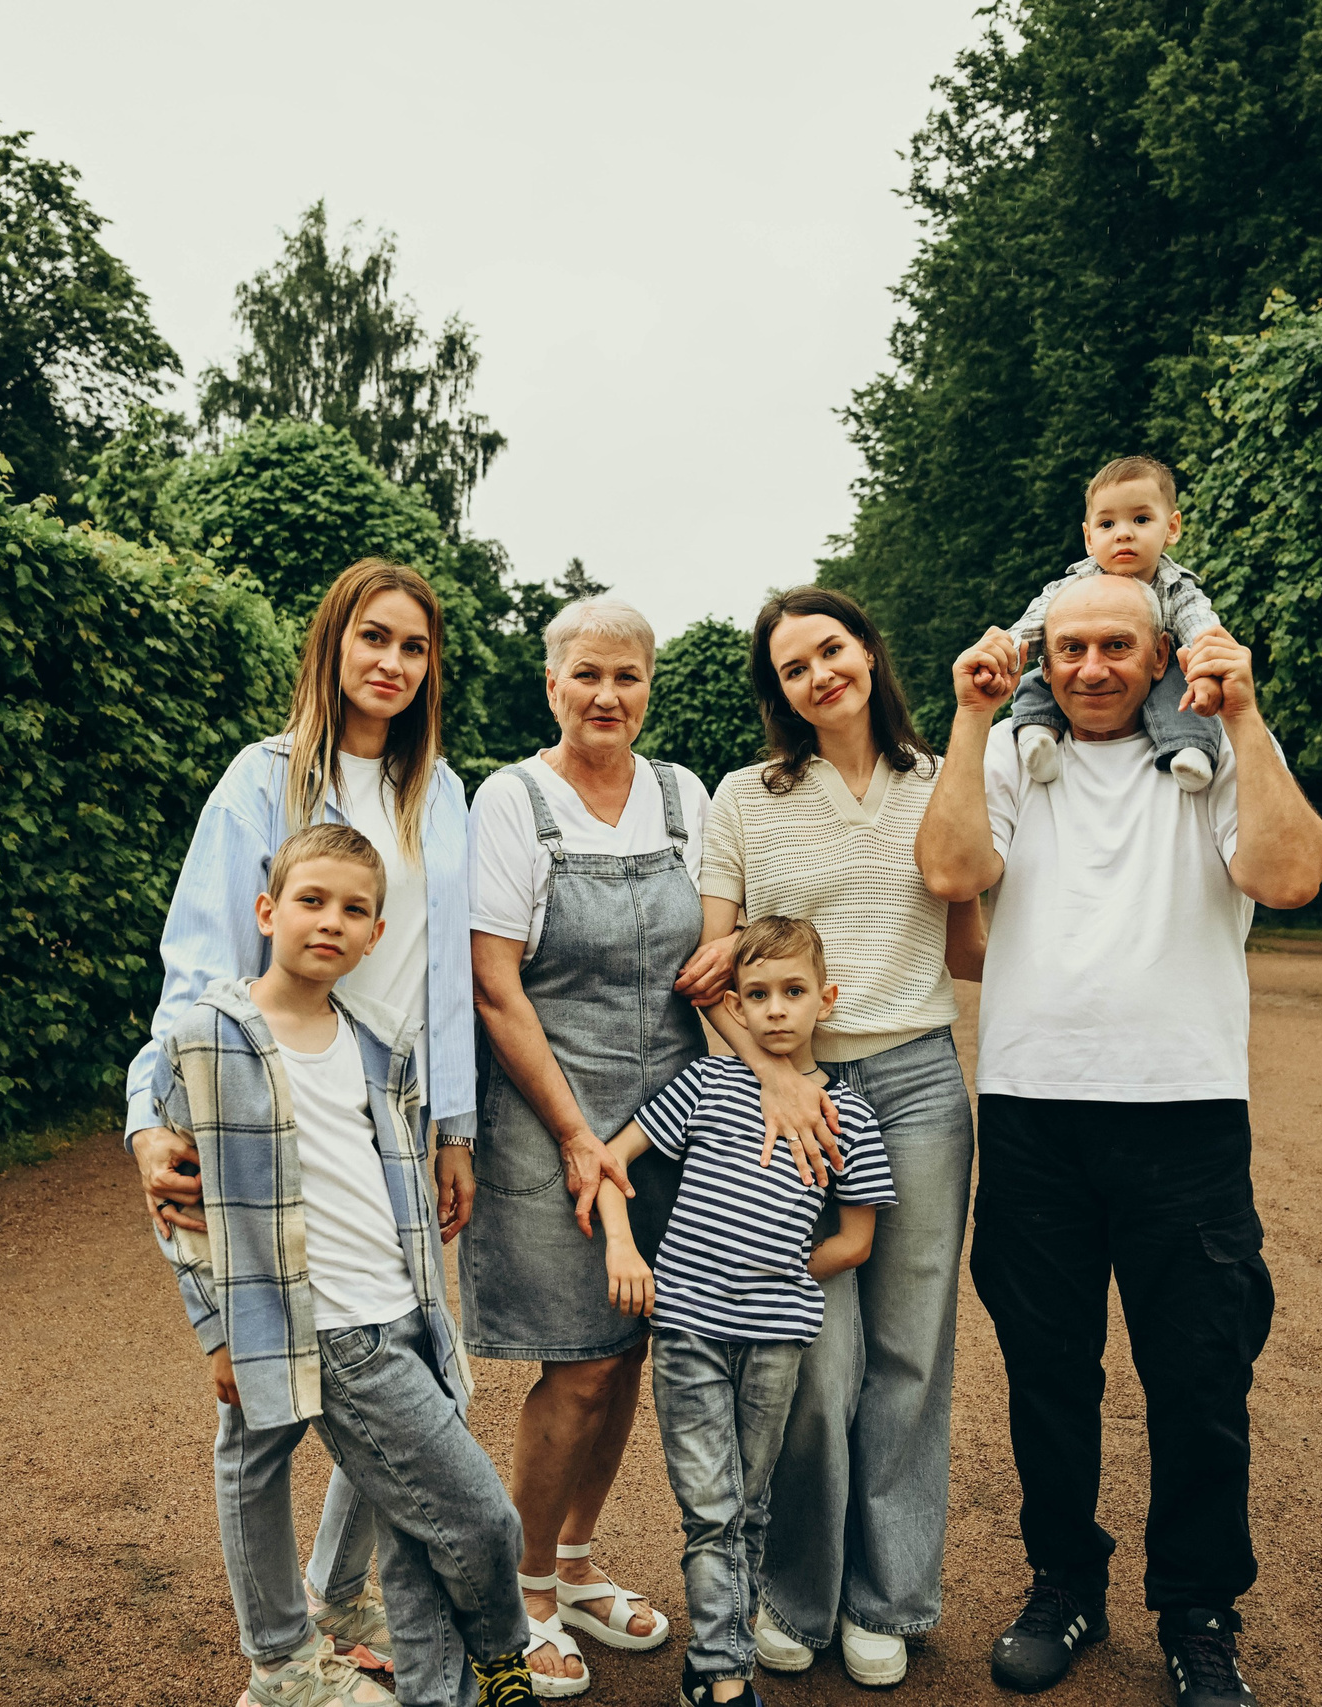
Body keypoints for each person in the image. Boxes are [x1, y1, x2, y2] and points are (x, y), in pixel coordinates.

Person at [915, 576, 1322, 1707]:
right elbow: (951, 872)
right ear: (1042, 661)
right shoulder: (1010, 754)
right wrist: (967, 714)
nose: (1091, 667)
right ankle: (1064, 1580)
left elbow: (1289, 876)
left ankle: (1199, 1608)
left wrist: (1243, 716)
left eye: (1115, 647)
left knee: (1198, 1379)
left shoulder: (1212, 747)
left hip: (1185, 1111)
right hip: (1034, 1110)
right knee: (1049, 1376)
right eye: (1069, 649)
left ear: (1158, 658)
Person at [122, 559, 480, 1686]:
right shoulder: (261, 779)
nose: (391, 663)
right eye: (372, 638)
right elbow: (197, 957)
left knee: (403, 1369)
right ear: (331, 648)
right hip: (266, 1118)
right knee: (261, 1408)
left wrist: (453, 1126)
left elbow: (446, 979)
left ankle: (339, 1597)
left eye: (413, 647)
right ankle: (276, 1659)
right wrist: (150, 1119)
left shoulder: (445, 794)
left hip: (387, 1121)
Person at [160, 822, 533, 1707]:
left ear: (374, 935)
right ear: (267, 910)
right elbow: (178, 1210)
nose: (330, 921)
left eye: (354, 909)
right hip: (336, 1332)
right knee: (481, 1518)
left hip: (405, 1309)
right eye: (310, 900)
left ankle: (439, 1689)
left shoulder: (378, 1040)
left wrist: (429, 1310)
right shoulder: (210, 1037)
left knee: (414, 1527)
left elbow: (395, 1185)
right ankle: (501, 1649)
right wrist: (218, 1332)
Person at [680, 586, 975, 1688]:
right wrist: (774, 1077)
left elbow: (975, 935)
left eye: (831, 651)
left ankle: (887, 1600)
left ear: (866, 654)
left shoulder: (940, 777)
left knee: (908, 1351)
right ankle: (794, 1594)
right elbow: (709, 976)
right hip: (789, 1091)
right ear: (779, 692)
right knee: (804, 1354)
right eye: (792, 667)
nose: (818, 676)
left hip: (914, 1083)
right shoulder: (746, 798)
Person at [463, 597, 707, 1695]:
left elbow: (713, 952)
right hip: (548, 1109)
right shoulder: (512, 800)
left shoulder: (682, 793)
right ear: (550, 682)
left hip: (668, 1121)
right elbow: (492, 981)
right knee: (578, 1362)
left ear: (649, 685)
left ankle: (576, 1562)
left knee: (628, 1356)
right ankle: (522, 1593)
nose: (608, 696)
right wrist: (576, 1135)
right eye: (586, 676)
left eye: (628, 677)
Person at [589, 916, 898, 1707]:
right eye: (756, 994)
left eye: (793, 992)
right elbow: (610, 1160)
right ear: (734, 1004)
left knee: (747, 1504)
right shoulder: (705, 1084)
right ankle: (728, 1679)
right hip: (688, 1325)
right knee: (713, 1507)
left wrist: (778, 1266)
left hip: (778, 1335)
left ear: (824, 1000)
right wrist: (624, 1246)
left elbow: (856, 1240)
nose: (775, 1009)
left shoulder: (850, 1117)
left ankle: (707, 1666)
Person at [1004, 456, 1228, 793]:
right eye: (1107, 524)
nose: (1123, 533)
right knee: (1046, 673)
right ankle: (1037, 737)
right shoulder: (1072, 586)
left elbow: (1202, 632)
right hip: (1085, 686)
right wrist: (1003, 655)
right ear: (1089, 537)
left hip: (1156, 678)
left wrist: (1208, 673)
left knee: (1180, 688)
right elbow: (1033, 627)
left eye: (1140, 519)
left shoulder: (1177, 588)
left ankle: (1189, 749)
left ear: (1171, 527)